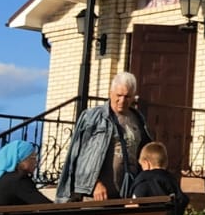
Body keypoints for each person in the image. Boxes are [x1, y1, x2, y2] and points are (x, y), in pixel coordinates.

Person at [56, 71, 153, 202]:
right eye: (119, 95)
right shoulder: (93, 117)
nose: (122, 100)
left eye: (127, 96)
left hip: (127, 193)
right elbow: (79, 154)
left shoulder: (138, 119)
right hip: (97, 195)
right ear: (110, 93)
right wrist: (94, 183)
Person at [129, 141, 188, 215]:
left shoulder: (143, 180)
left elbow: (134, 206)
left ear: (146, 163)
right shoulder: (172, 180)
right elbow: (182, 201)